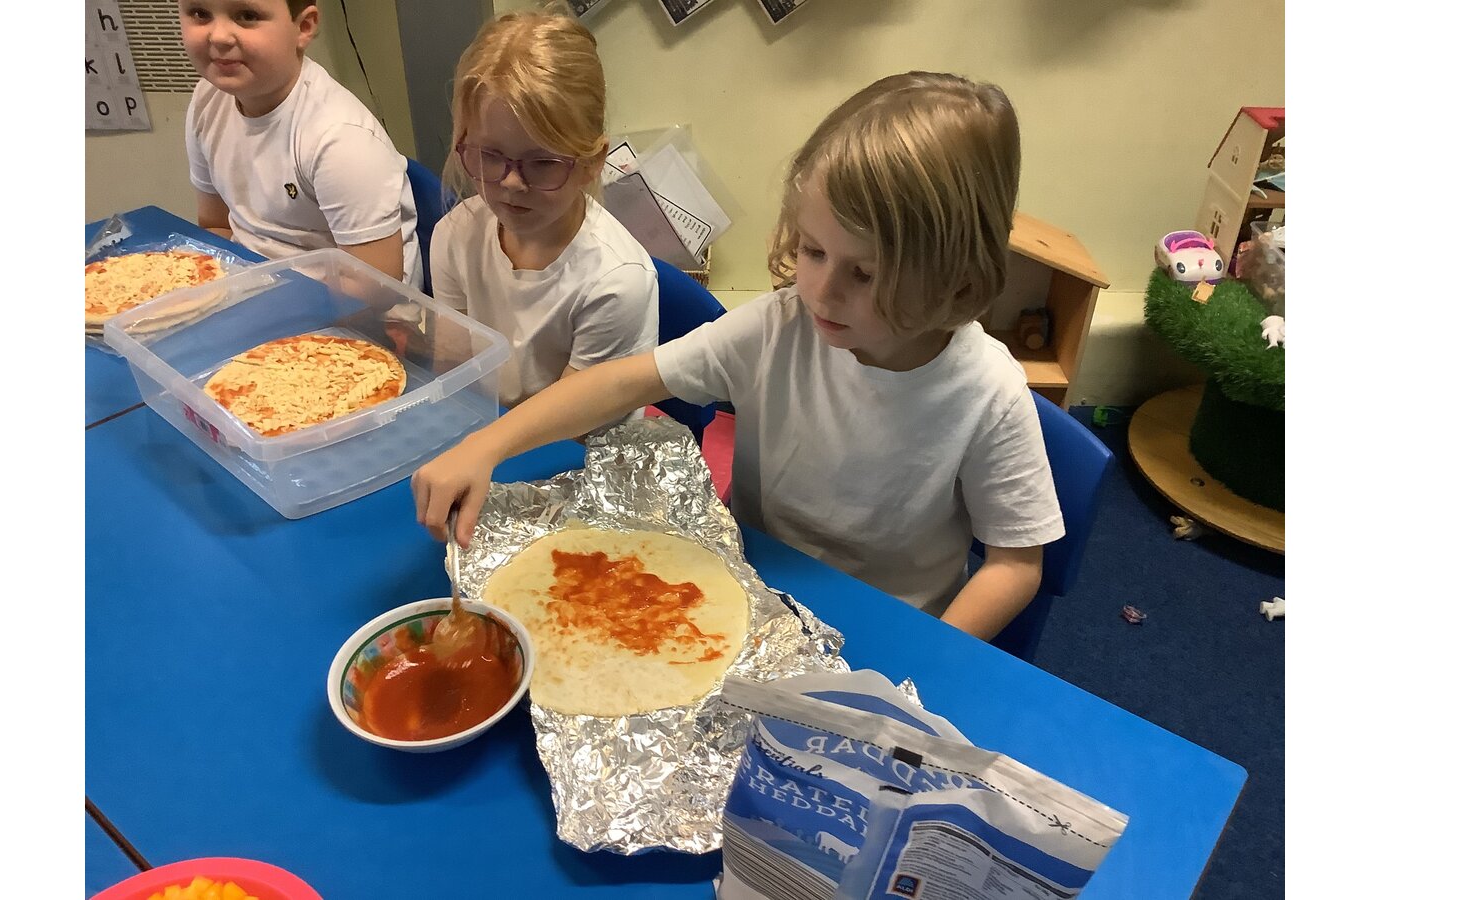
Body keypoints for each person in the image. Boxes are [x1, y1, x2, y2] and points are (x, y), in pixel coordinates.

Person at [413, 72, 1064, 642]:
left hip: (892, 629)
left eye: (863, 273)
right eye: (812, 251)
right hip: (752, 591)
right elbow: (621, 383)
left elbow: (1015, 565)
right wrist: (487, 446)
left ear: (954, 276)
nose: (821, 291)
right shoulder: (780, 327)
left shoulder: (988, 396)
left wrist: (938, 651)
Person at [425, 6, 658, 410]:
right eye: (490, 156)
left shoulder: (616, 284)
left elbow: (571, 426)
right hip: (490, 425)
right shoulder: (455, 235)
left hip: (573, 438)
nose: (512, 183)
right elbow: (453, 377)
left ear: (592, 162)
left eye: (543, 162)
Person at [180, 0, 420, 285]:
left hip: (349, 300)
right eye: (200, 14)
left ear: (304, 27)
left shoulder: (340, 140)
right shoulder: (207, 100)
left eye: (247, 16)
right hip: (255, 281)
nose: (219, 36)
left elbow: (373, 287)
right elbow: (216, 225)